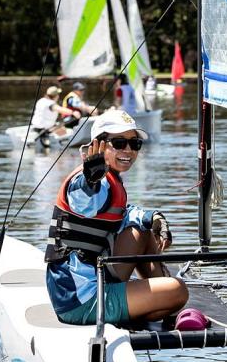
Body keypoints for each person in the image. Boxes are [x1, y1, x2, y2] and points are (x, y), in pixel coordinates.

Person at [44, 109, 188, 325]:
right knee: (177, 291)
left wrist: (154, 218)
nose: (128, 150)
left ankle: (156, 295)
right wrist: (90, 179)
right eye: (119, 143)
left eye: (135, 144)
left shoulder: (112, 179)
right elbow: (84, 202)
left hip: (96, 279)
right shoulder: (93, 181)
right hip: (81, 299)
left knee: (141, 230)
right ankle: (159, 300)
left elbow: (125, 212)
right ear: (98, 144)